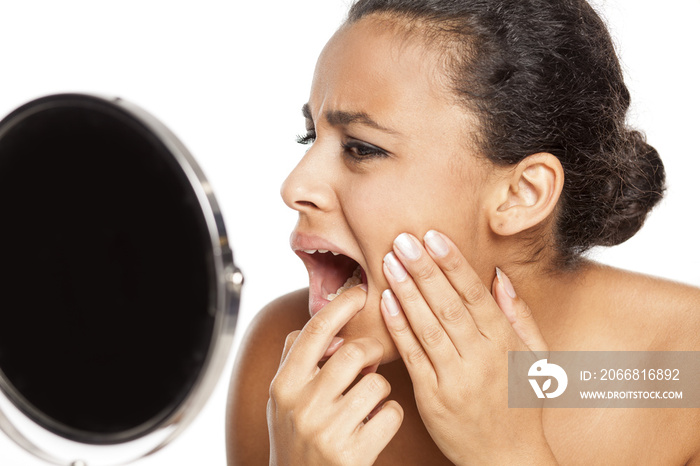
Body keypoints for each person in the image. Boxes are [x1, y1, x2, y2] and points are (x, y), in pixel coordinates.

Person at [226, 0, 700, 464]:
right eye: (311, 137)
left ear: (522, 194)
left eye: (362, 148)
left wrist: (507, 453)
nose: (295, 187)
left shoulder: (682, 371)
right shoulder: (284, 362)